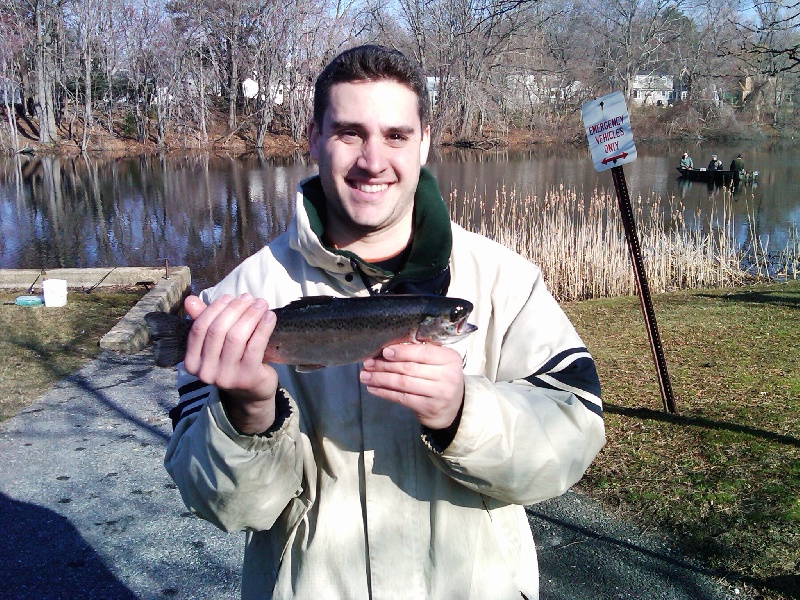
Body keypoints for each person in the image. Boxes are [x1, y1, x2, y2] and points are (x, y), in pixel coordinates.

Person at [163, 44, 605, 600]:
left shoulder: (506, 281)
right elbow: (221, 507)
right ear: (314, 137)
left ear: (424, 141)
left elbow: (573, 439)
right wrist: (248, 413)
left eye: (396, 135)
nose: (373, 159)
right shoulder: (240, 299)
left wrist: (463, 414)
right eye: (350, 132)